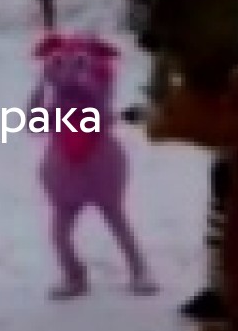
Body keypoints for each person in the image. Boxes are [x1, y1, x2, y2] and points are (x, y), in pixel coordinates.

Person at [26, 33, 157, 298]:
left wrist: (86, 82)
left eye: (78, 64)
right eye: (60, 63)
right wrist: (40, 88)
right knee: (59, 234)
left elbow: (102, 106)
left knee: (117, 221)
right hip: (66, 175)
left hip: (100, 172)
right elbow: (34, 123)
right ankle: (74, 276)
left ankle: (139, 271)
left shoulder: (96, 104)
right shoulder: (56, 109)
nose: (68, 72)